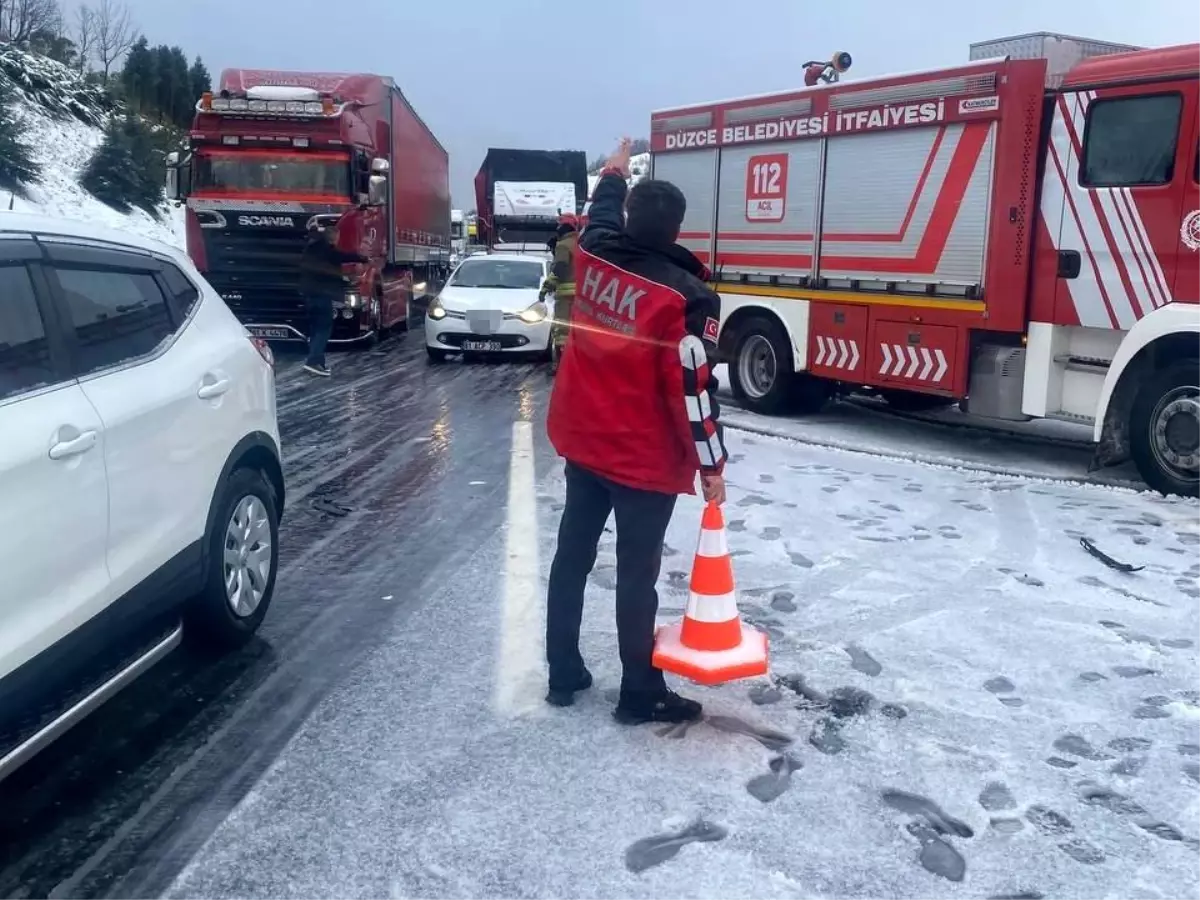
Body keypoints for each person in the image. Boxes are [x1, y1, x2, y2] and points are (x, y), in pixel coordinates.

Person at [544, 138, 728, 725]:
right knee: (636, 574)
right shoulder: (690, 299)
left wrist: (617, 167)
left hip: (583, 440)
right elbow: (693, 394)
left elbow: (600, 209)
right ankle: (639, 692)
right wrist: (712, 466)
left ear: (629, 218)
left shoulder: (595, 251)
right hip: (642, 459)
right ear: (677, 230)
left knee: (571, 556)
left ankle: (563, 672)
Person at [299, 220, 364, 377]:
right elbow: (343, 256)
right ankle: (313, 362)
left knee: (316, 329)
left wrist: (344, 279)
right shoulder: (328, 251)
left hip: (308, 294)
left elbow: (324, 273)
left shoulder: (310, 250)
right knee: (323, 329)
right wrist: (363, 258)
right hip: (321, 296)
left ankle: (319, 363)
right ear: (334, 237)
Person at [538, 213, 580, 373]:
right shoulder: (580, 243)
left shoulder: (563, 245)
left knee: (561, 331)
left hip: (565, 297)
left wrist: (545, 288)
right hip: (581, 297)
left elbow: (560, 270)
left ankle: (562, 366)